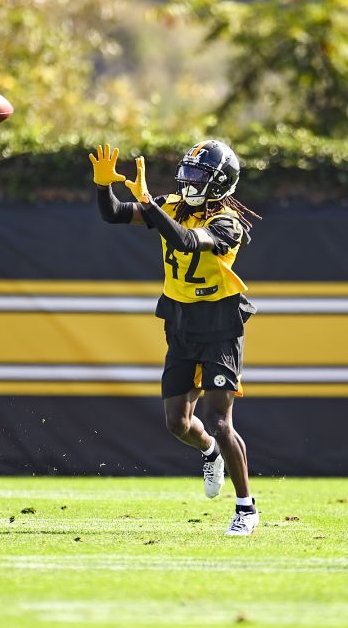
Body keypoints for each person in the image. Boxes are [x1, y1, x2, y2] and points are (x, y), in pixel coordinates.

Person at [91, 141, 262, 536]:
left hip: (220, 324)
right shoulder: (170, 205)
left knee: (219, 420)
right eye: (188, 172)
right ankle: (210, 453)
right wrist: (103, 187)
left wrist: (150, 203)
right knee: (177, 423)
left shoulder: (227, 224)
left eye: (199, 176)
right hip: (182, 322)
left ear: (220, 183)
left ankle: (245, 508)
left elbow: (187, 240)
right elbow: (114, 214)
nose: (188, 182)